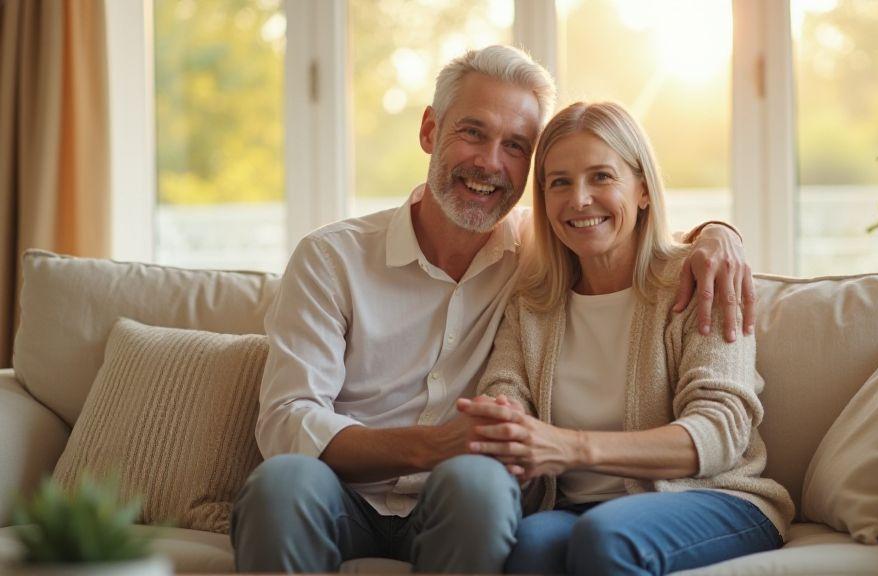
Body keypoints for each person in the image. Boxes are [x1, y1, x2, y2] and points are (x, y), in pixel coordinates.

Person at [230, 46, 756, 574]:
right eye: (473, 132)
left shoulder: (538, 255)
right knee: (281, 484)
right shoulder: (334, 258)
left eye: (515, 146)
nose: (489, 162)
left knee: (480, 484)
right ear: (430, 131)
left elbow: (623, 231)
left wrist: (719, 234)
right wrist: (431, 445)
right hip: (343, 497)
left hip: (467, 496)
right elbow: (286, 419)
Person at [460, 101, 794, 576]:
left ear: (641, 190)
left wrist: (572, 446)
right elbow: (505, 390)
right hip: (578, 509)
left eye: (601, 177)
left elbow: (721, 431)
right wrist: (505, 420)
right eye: (560, 182)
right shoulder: (532, 303)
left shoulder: (700, 278)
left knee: (607, 536)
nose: (579, 199)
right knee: (529, 545)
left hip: (715, 498)